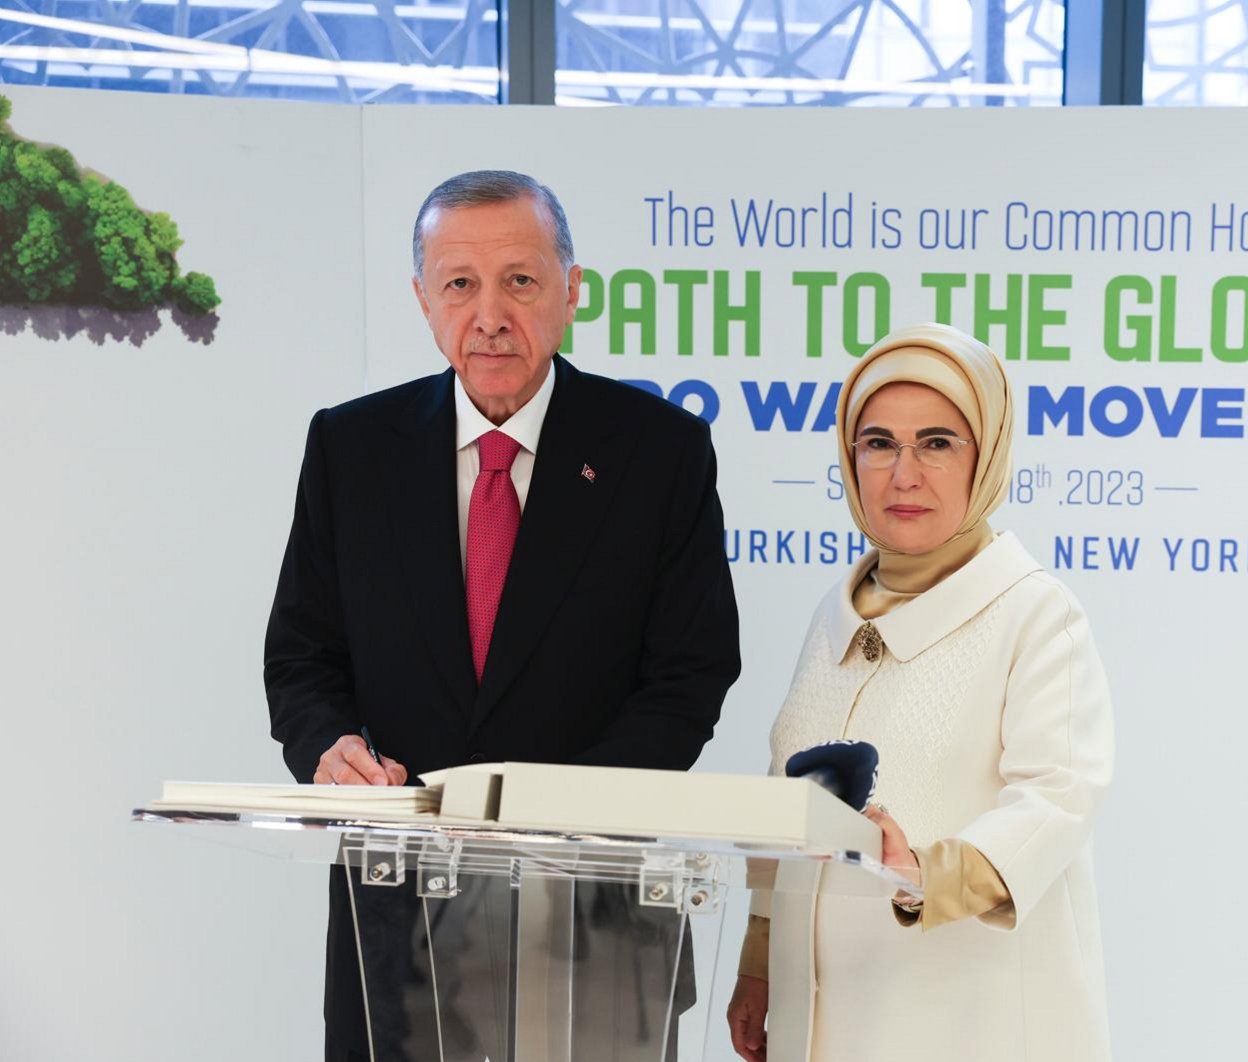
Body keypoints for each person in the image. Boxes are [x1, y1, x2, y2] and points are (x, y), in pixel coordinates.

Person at [264, 170, 741, 1060]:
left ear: (571, 290)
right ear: (422, 300)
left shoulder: (659, 450)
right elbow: (301, 658)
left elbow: (691, 673)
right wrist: (327, 747)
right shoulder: (350, 448)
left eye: (520, 280)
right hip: (396, 921)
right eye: (459, 284)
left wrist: (561, 816)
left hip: (597, 916)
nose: (489, 314)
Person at [726, 323, 1114, 1061]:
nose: (904, 473)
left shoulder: (1035, 611)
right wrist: (757, 964)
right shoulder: (836, 612)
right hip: (829, 1015)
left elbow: (1060, 797)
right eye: (878, 443)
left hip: (971, 1017)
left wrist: (928, 877)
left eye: (937, 443)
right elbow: (790, 797)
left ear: (987, 457)